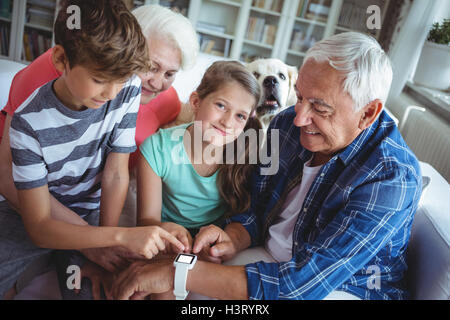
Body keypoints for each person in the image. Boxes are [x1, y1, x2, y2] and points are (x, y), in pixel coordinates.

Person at [111, 32, 422, 300]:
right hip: (271, 257)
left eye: (320, 108)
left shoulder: (391, 176)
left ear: (368, 113)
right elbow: (257, 208)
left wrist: (176, 273)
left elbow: (303, 284)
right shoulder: (288, 124)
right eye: (300, 97)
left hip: (341, 287)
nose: (299, 118)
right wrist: (234, 235)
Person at [0, 4, 198, 297]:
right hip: (32, 206)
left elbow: (116, 173)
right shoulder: (29, 120)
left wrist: (108, 243)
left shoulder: (127, 85)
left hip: (92, 213)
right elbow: (38, 224)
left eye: (169, 73)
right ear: (61, 59)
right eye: (152, 67)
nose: (111, 94)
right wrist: (106, 239)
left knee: (102, 287)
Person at [136, 61, 261, 299]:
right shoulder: (158, 148)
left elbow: (246, 218)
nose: (227, 122)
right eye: (221, 105)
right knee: (161, 290)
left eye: (240, 116)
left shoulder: (246, 155)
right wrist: (168, 229)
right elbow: (145, 222)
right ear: (195, 102)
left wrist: (218, 243)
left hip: (212, 243)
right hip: (168, 239)